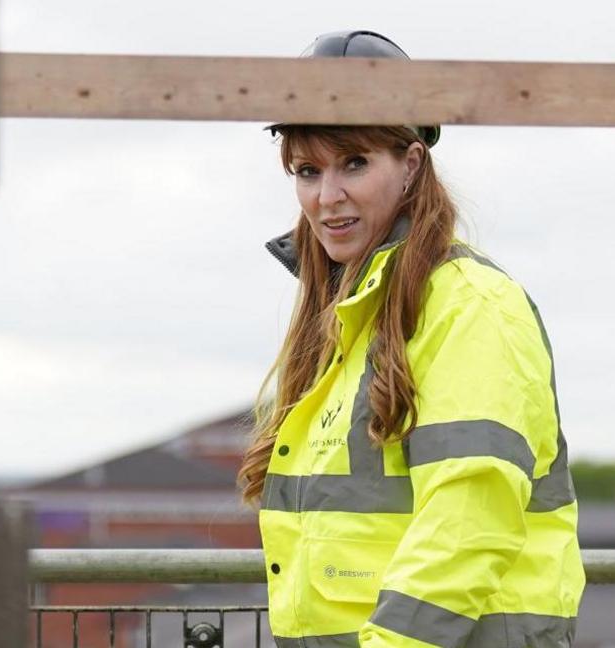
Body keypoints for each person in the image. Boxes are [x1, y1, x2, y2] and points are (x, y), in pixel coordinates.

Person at [237, 30, 585, 648]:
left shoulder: (470, 306)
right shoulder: (347, 318)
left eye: (355, 163)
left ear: (412, 165)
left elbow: (470, 515)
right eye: (307, 170)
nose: (327, 197)